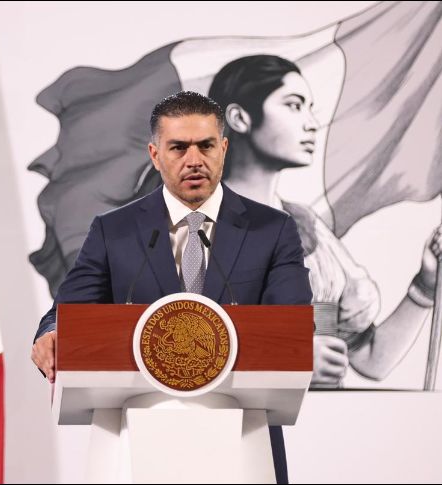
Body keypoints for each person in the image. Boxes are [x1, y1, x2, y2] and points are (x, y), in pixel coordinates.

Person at [31, 91, 313, 484]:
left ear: (224, 148)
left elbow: (291, 328)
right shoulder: (115, 231)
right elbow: (66, 313)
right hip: (135, 438)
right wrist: (51, 333)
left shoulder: (273, 230)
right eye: (178, 147)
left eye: (206, 146)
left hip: (245, 442)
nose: (194, 160)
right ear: (154, 154)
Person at [207, 54, 442, 388]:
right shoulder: (194, 226)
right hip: (239, 430)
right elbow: (170, 354)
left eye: (310, 107)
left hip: (324, 429)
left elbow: (371, 359)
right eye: (294, 105)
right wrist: (288, 361)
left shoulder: (306, 224)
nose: (312, 122)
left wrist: (425, 285)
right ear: (239, 118)